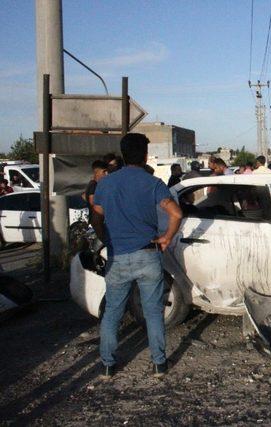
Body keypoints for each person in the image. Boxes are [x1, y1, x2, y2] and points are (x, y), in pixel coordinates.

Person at [91, 133, 183, 380]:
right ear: (144, 156)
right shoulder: (152, 183)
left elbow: (96, 216)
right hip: (148, 255)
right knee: (153, 312)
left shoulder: (106, 184)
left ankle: (108, 366)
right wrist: (166, 238)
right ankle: (159, 365)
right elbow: (176, 213)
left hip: (117, 257)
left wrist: (107, 239)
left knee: (113, 312)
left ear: (122, 155)